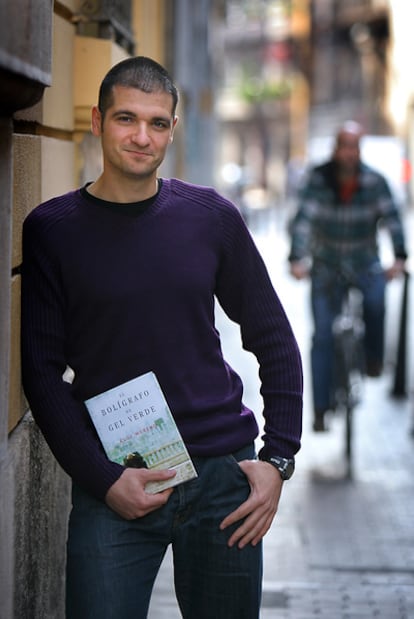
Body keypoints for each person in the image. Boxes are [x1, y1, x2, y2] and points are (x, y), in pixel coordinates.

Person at [21, 56, 303, 619]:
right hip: (118, 476)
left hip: (224, 478)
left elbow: (272, 336)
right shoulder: (53, 230)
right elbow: (40, 371)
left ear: (173, 129)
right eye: (127, 119)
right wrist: (102, 479)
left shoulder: (210, 218)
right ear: (97, 121)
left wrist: (278, 459)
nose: (141, 137)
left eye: (157, 123)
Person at [288, 121, 407, 432]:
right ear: (336, 149)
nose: (349, 153)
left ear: (359, 150)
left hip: (364, 262)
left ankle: (372, 359)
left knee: (377, 303)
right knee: (322, 335)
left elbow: (392, 218)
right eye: (344, 146)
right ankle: (320, 408)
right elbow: (303, 220)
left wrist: (399, 256)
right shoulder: (318, 179)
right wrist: (297, 258)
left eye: (354, 147)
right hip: (326, 265)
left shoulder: (375, 182)